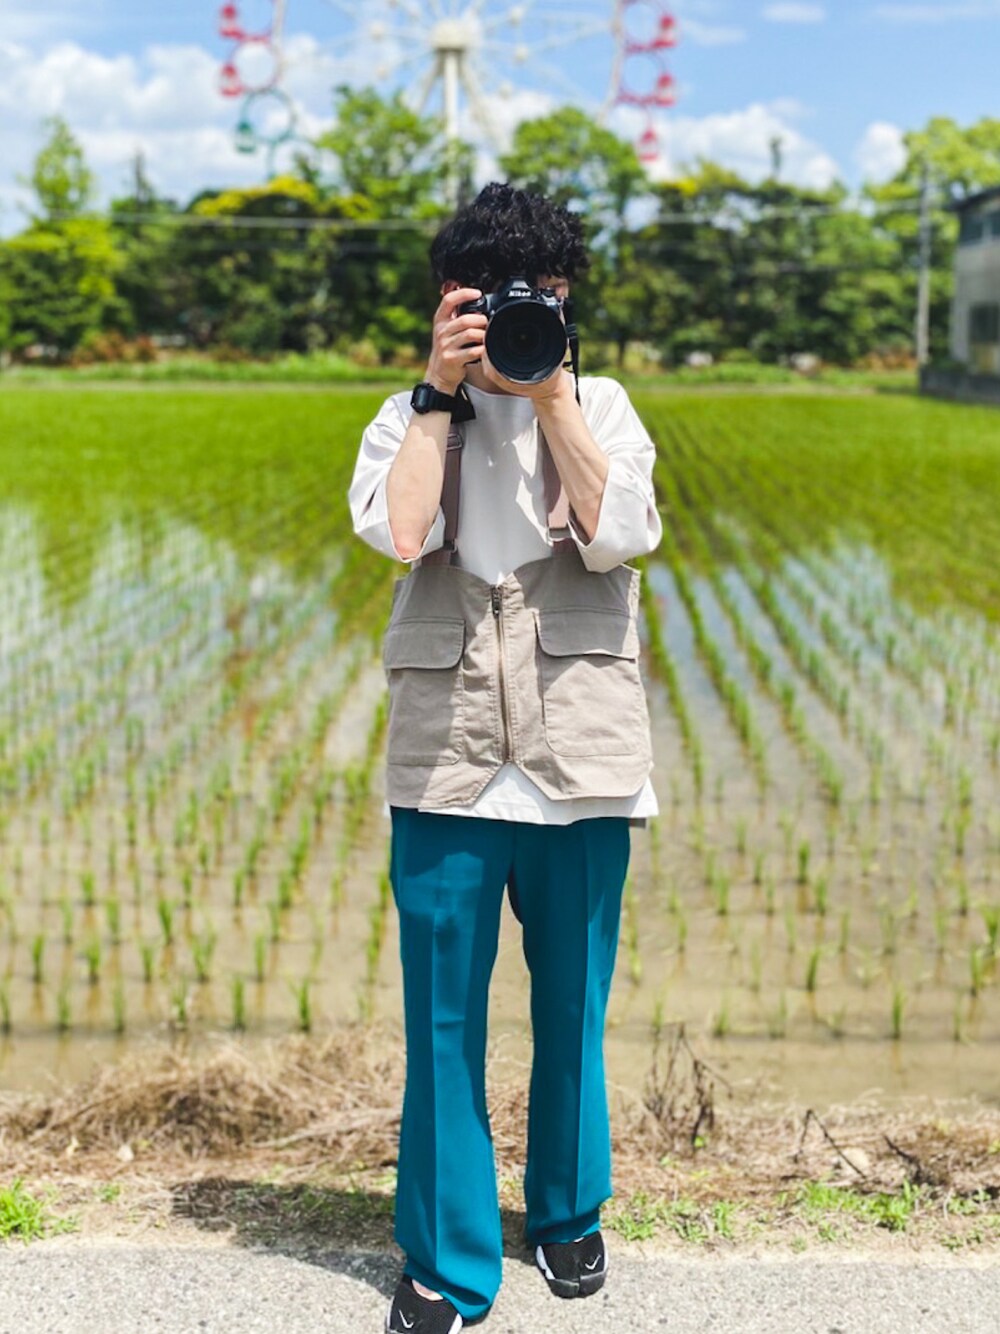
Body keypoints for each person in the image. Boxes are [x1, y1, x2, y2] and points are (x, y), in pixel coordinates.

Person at [347, 181, 662, 1334]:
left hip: (580, 756)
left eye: (543, 294)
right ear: (447, 302)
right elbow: (399, 534)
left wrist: (556, 393)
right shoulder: (405, 414)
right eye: (489, 298)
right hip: (448, 762)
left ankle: (569, 1211)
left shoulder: (609, 406)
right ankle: (444, 1260)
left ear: (568, 299)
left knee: (573, 1004)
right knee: (441, 1021)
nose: (518, 315)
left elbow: (619, 529)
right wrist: (442, 394)